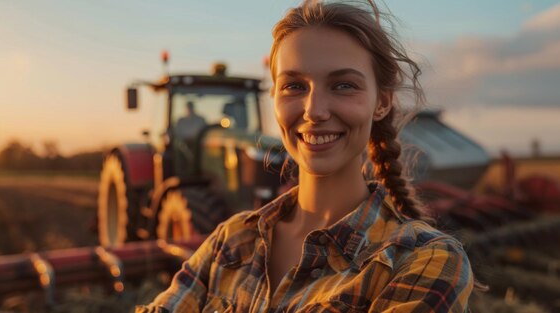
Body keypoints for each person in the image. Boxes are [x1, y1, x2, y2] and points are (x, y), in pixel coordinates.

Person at [137, 1, 473, 312]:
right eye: (294, 86)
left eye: (343, 85)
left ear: (382, 102)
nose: (313, 111)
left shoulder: (422, 260)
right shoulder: (231, 241)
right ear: (276, 99)